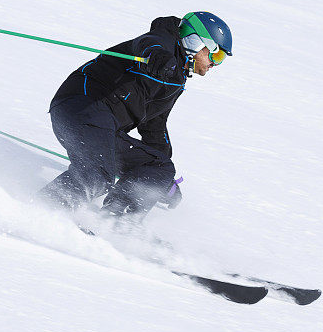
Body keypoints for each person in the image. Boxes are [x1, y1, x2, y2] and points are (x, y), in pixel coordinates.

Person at [36, 12, 233, 221]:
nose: (215, 64)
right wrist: (158, 58)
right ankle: (43, 213)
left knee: (160, 166)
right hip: (83, 105)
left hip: (102, 127)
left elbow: (154, 126)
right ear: (195, 42)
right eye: (216, 55)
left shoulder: (176, 78)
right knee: (99, 173)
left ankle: (116, 222)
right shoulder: (163, 42)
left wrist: (162, 182)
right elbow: (148, 43)